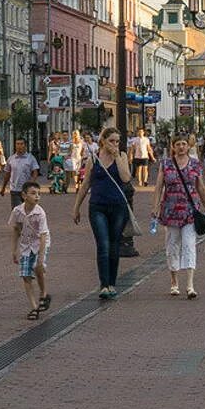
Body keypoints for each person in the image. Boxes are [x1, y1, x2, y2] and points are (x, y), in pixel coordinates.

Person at [72, 126, 133, 300]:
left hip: (118, 207)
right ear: (103, 141)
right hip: (98, 206)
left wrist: (117, 157)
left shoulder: (121, 157)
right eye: (111, 141)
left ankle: (112, 283)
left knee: (114, 245)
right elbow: (85, 185)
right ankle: (104, 285)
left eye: (117, 141)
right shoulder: (93, 158)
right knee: (103, 244)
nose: (114, 144)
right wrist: (76, 207)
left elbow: (126, 178)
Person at [151, 134, 205, 298]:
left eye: (184, 144)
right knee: (172, 245)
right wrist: (155, 206)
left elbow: (200, 187)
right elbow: (159, 187)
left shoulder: (195, 164)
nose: (181, 147)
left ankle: (190, 285)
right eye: (178, 144)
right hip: (171, 211)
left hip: (189, 210)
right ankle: (174, 282)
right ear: (173, 147)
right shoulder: (165, 164)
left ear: (188, 146)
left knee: (189, 244)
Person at [9, 181, 51, 320]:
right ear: (24, 195)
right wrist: (14, 250)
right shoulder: (17, 211)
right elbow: (16, 229)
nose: (37, 196)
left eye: (39, 194)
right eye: (33, 193)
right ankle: (34, 307)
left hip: (40, 243)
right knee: (26, 276)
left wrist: (40, 257)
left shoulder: (40, 213)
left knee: (38, 268)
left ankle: (44, 293)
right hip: (26, 245)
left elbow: (44, 236)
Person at [0, 137, 40, 210]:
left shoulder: (30, 158)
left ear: (25, 145)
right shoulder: (11, 159)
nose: (19, 146)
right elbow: (7, 174)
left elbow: (35, 172)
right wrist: (3, 188)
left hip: (26, 189)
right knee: (17, 211)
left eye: (21, 144)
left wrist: (32, 183)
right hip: (15, 189)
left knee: (28, 210)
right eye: (17, 144)